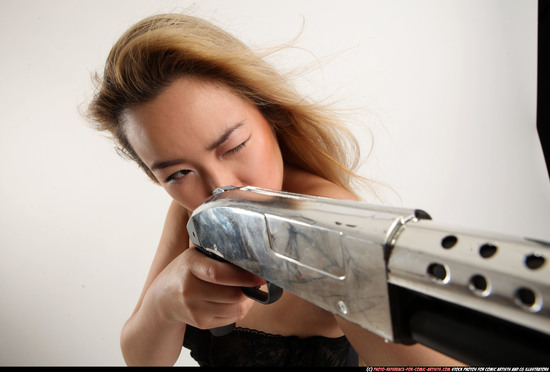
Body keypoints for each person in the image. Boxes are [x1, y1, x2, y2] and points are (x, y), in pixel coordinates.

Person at [87, 13, 461, 367]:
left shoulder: (333, 221)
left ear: (270, 113)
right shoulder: (192, 212)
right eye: (178, 173)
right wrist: (163, 303)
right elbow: (142, 359)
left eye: (233, 146)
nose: (221, 187)